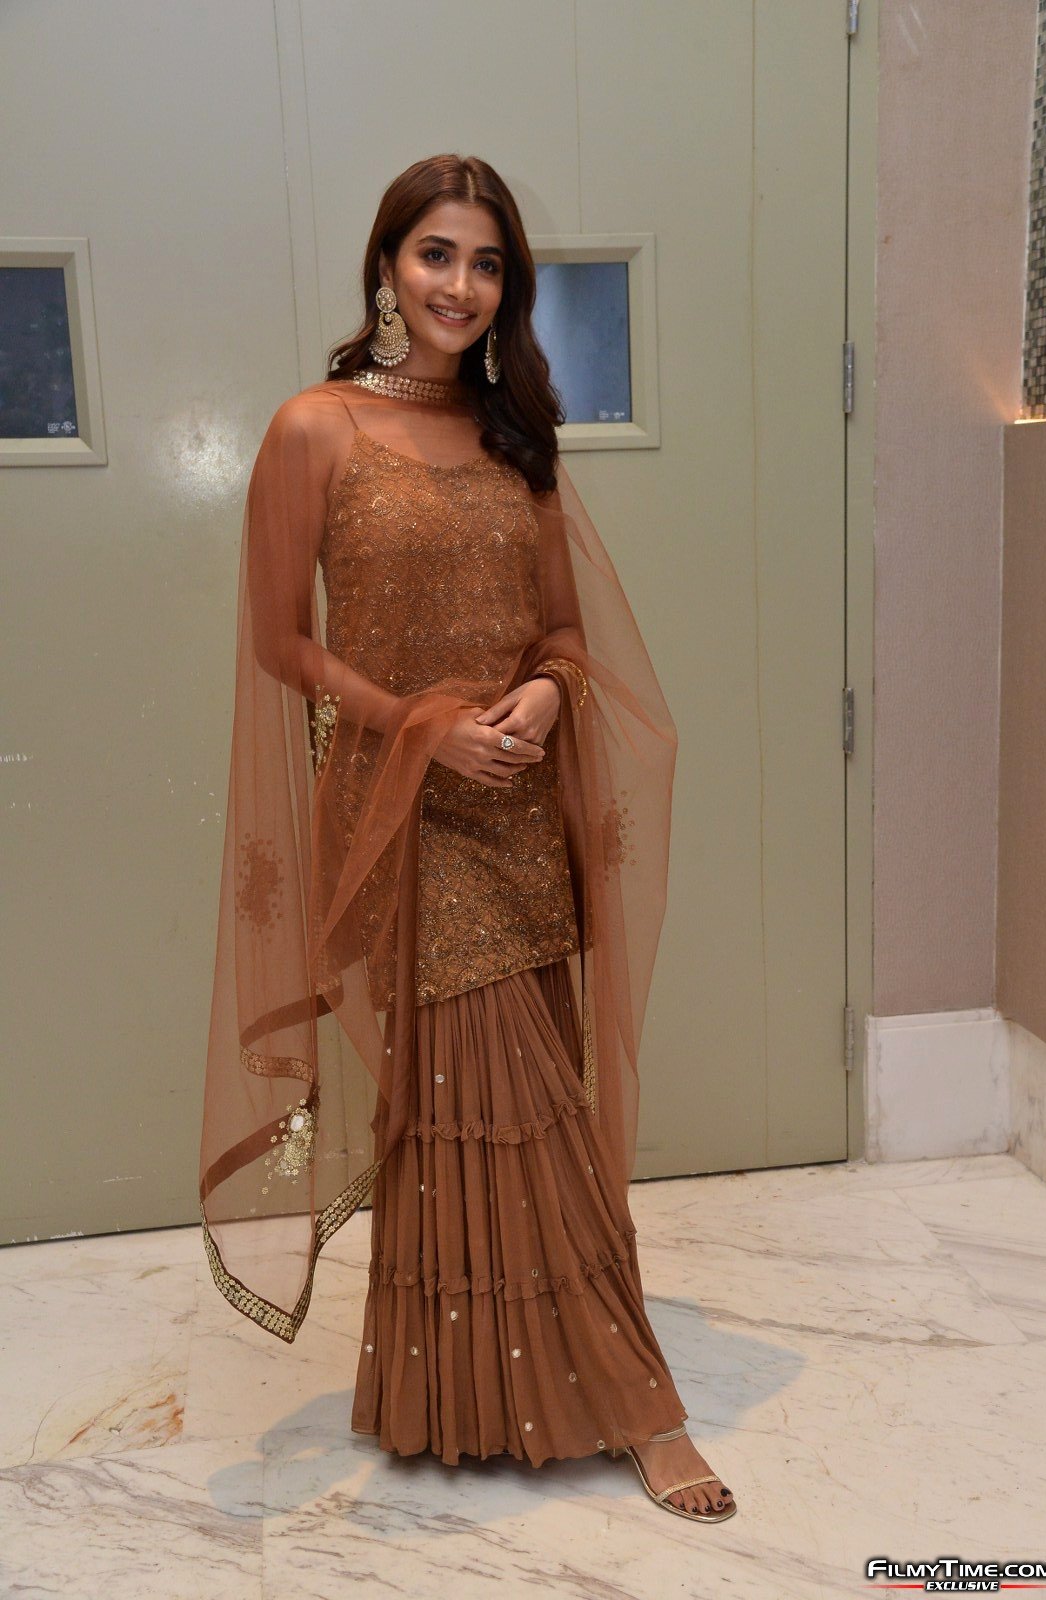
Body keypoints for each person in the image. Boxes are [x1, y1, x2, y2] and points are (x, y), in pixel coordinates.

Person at [198, 152, 736, 1525]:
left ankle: (488, 1393)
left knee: (508, 1099)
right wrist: (419, 729)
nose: (460, 284)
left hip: (517, 802)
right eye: (436, 253)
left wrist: (548, 693)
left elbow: (560, 631)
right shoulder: (314, 428)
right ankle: (636, 1408)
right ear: (387, 265)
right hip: (402, 806)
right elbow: (281, 642)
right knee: (486, 1099)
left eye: (487, 263)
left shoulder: (515, 435)